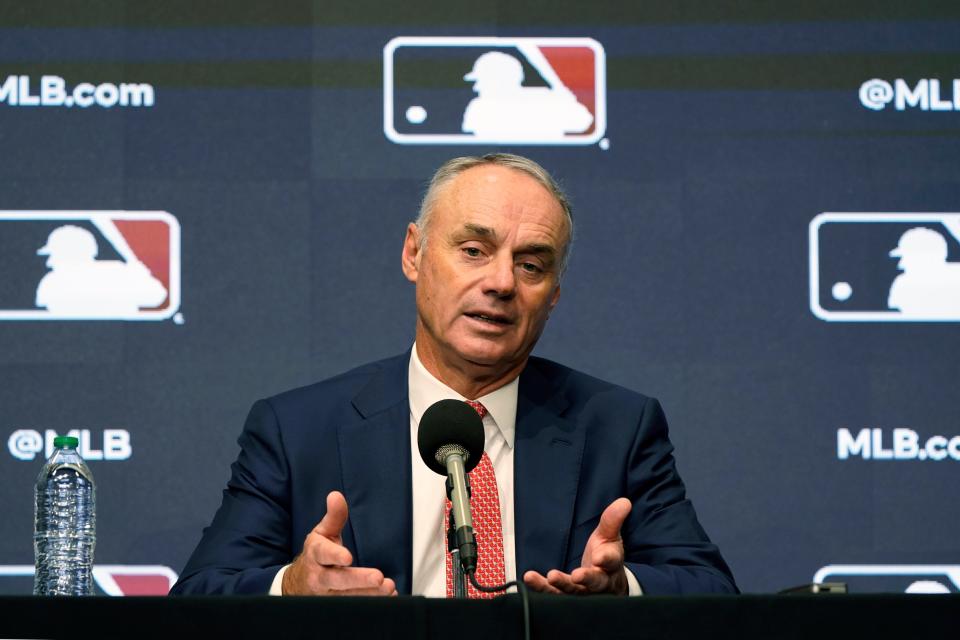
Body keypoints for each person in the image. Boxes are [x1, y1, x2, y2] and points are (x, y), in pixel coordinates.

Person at [170, 153, 737, 597]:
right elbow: (198, 594)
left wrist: (624, 589)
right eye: (473, 249)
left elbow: (711, 589)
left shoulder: (619, 426)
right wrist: (291, 586)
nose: (501, 283)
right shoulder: (297, 429)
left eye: (531, 265)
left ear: (554, 297)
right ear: (414, 254)